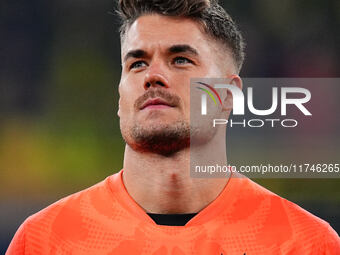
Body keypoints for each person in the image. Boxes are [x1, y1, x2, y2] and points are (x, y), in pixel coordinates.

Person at [6, 0, 340, 254]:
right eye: (137, 63)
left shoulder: (306, 242)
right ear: (119, 96)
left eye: (180, 59)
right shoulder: (45, 240)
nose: (152, 75)